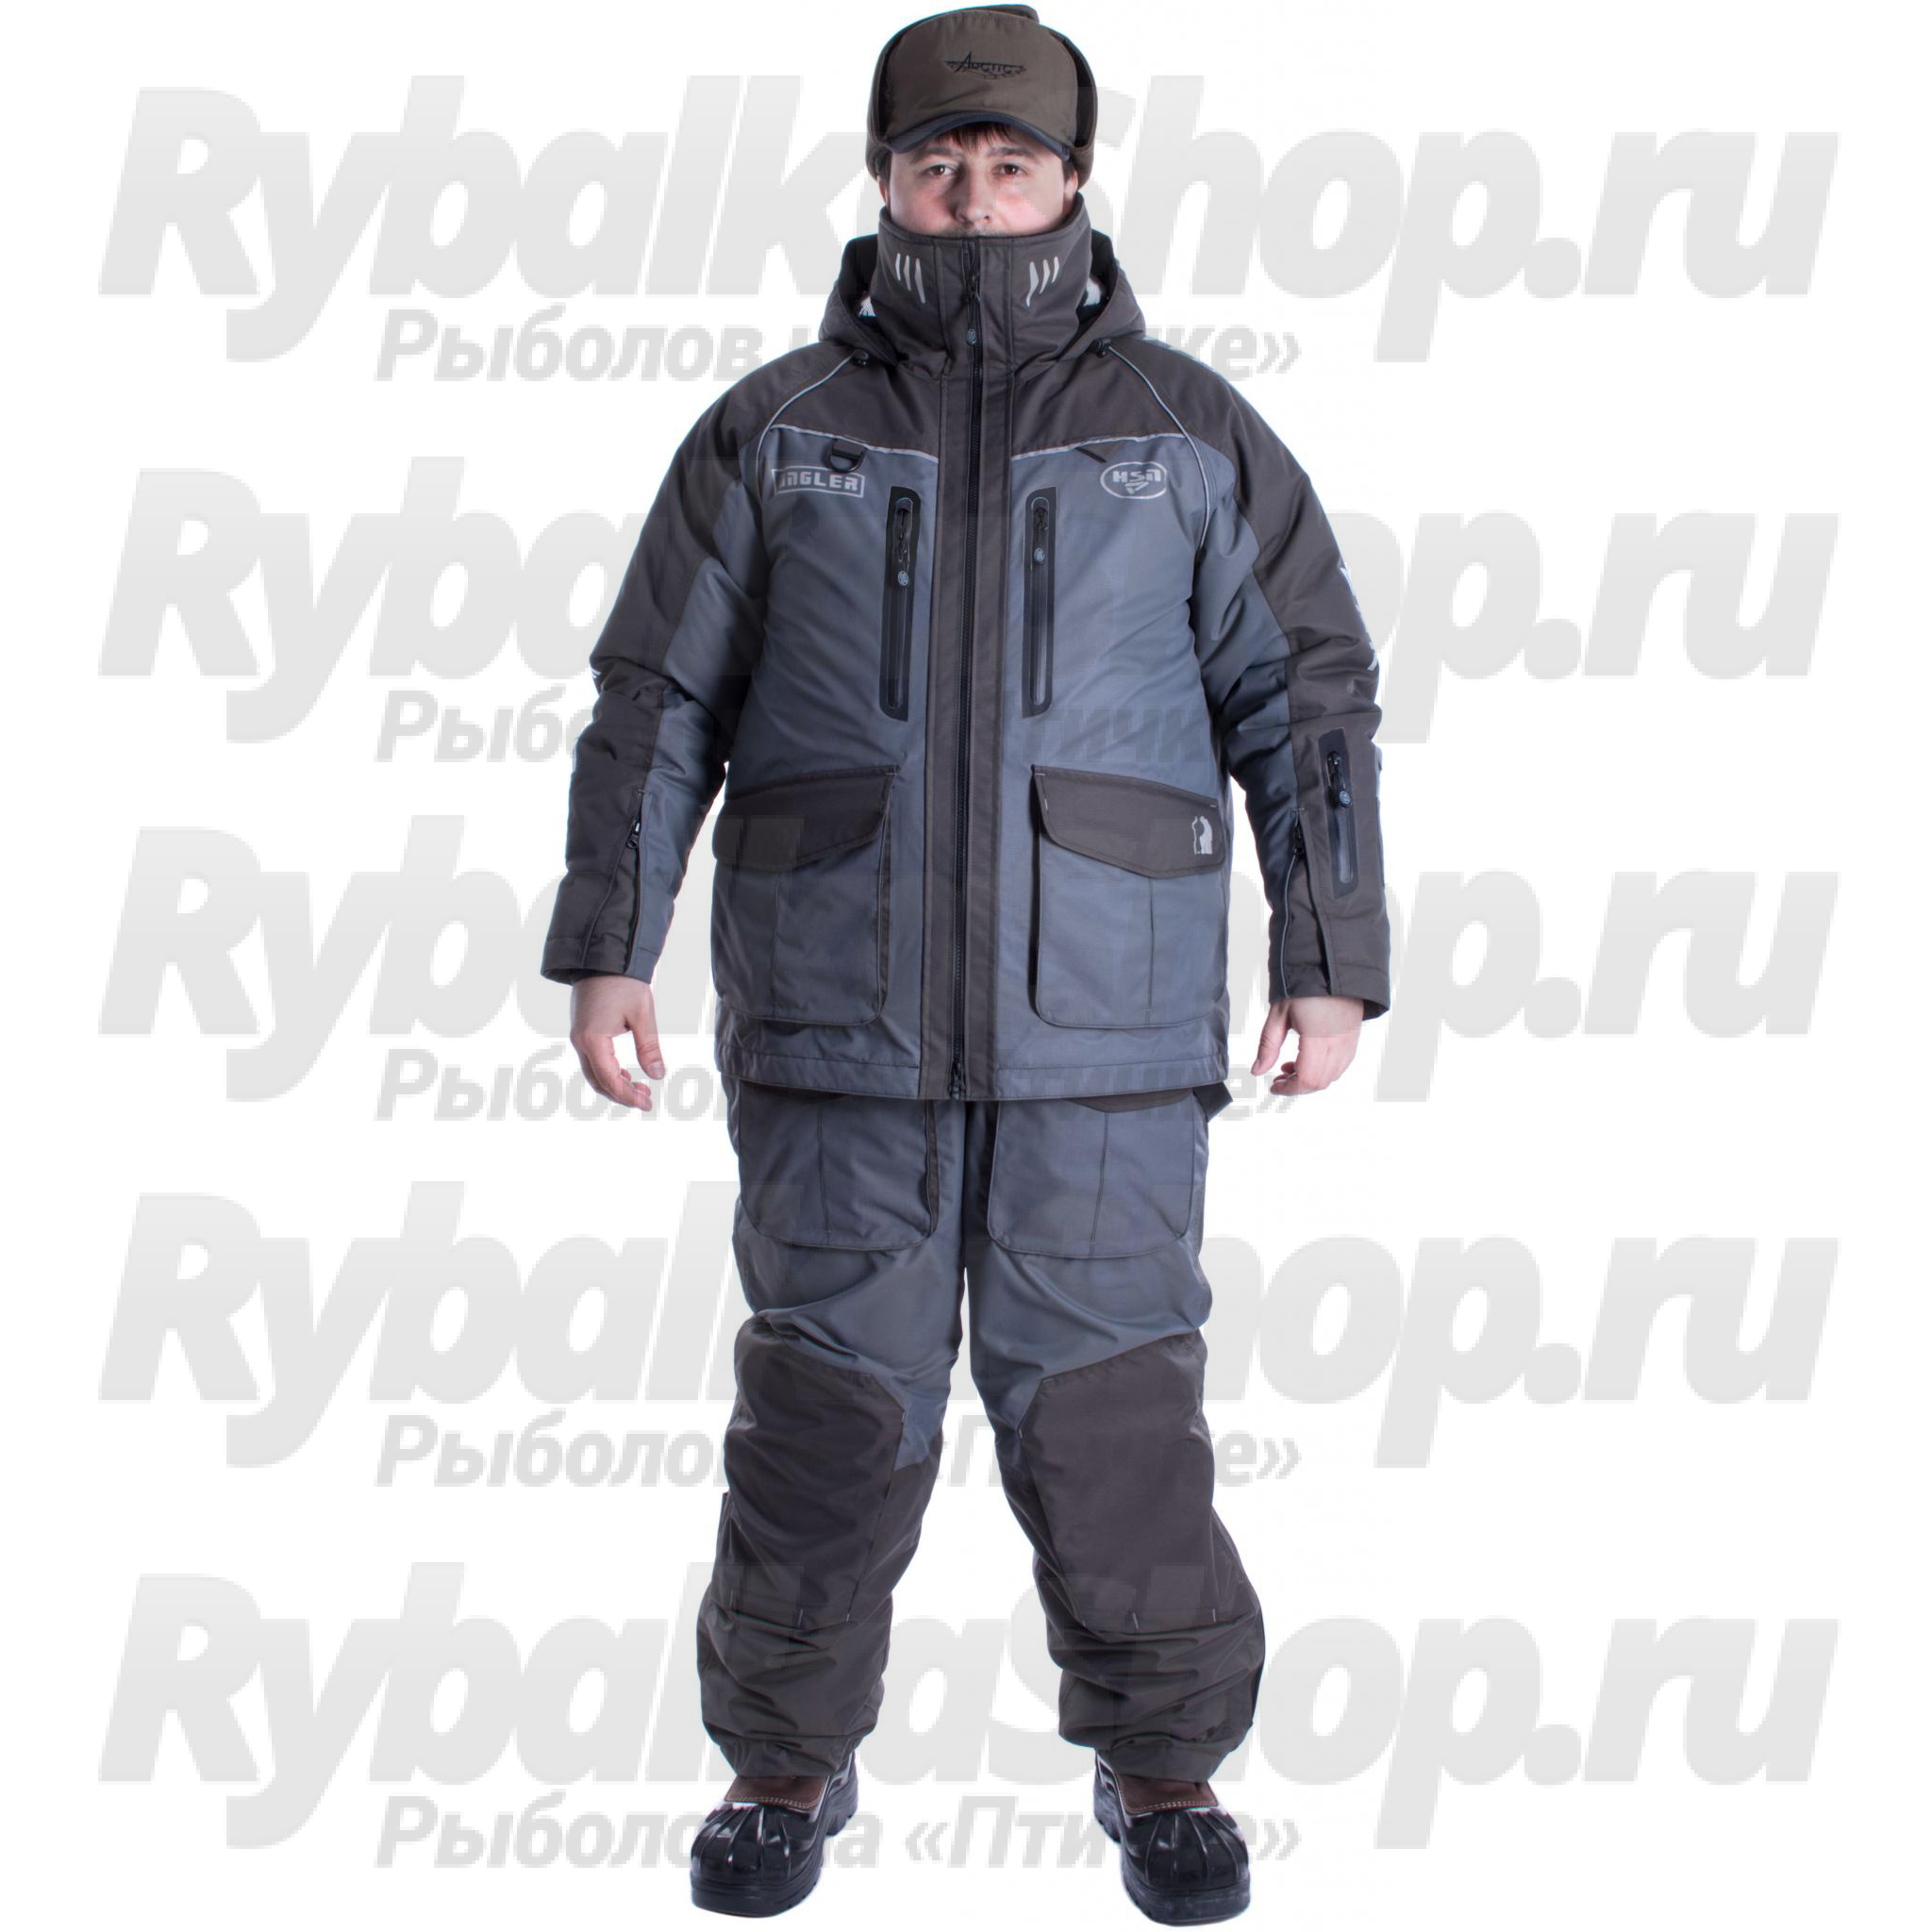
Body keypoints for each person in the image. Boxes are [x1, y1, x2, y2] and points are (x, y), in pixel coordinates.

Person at [540, 6, 1391, 1920]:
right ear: (883, 178)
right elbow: (658, 698)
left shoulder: (1186, 434)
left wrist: (1327, 953)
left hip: (1109, 1036)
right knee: (825, 1417)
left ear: (1074, 181)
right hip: (833, 1022)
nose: (976, 195)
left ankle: (1165, 1767)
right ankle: (780, 1764)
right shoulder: (776, 431)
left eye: (1012, 165)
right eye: (940, 163)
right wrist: (610, 944)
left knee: (1112, 1423)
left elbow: (1306, 701)